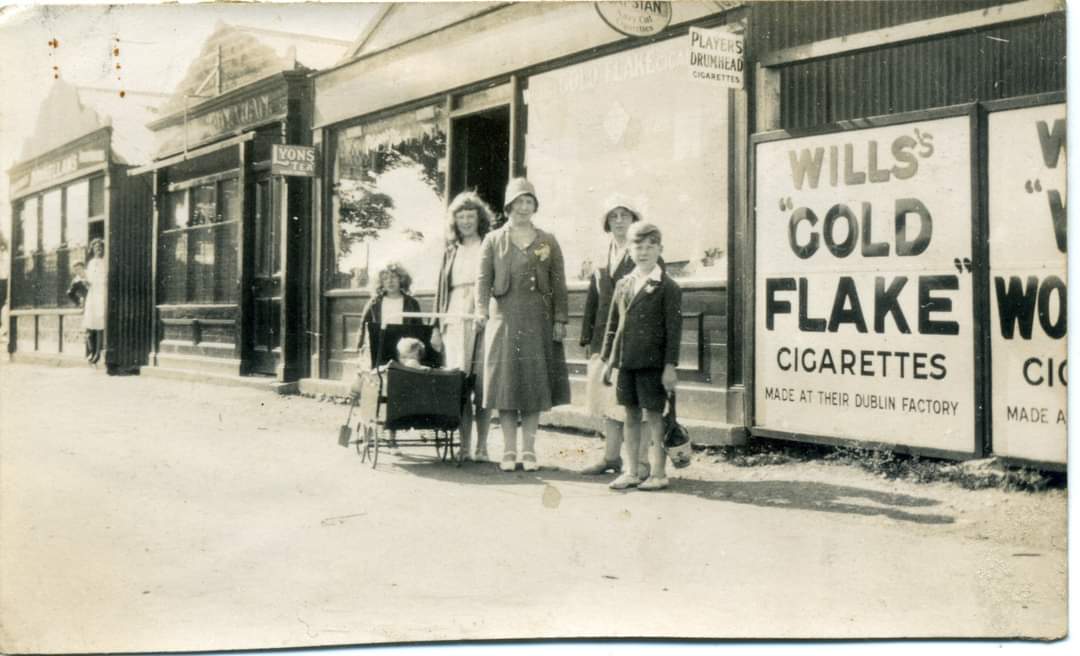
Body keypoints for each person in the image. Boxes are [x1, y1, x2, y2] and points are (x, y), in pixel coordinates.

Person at [476, 178, 571, 472]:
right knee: (506, 385)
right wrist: (481, 309)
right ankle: (507, 450)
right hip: (504, 318)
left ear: (535, 207)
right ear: (508, 206)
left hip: (537, 321)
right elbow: (483, 280)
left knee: (532, 383)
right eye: (518, 202)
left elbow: (559, 282)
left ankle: (528, 450)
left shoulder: (548, 240)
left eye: (529, 202)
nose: (523, 207)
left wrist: (559, 319)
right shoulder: (493, 240)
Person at [601, 222, 682, 491]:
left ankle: (658, 472)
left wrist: (669, 366)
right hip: (627, 363)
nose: (644, 251)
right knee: (630, 416)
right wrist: (608, 362)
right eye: (638, 245)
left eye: (650, 245)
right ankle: (632, 470)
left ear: (660, 249)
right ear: (630, 248)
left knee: (655, 418)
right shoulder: (624, 283)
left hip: (653, 365)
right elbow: (613, 326)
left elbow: (674, 331)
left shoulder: (667, 286)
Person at [580, 195, 654, 478]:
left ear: (635, 220)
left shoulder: (644, 253)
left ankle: (642, 462)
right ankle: (611, 457)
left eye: (625, 215)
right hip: (604, 339)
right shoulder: (602, 255)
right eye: (614, 216)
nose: (619, 221)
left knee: (637, 402)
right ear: (607, 223)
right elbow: (593, 299)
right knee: (607, 400)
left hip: (633, 340)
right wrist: (588, 337)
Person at [434, 191, 493, 462]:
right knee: (459, 383)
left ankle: (482, 446)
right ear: (454, 221)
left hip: (483, 314)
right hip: (455, 315)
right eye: (461, 217)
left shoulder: (489, 245)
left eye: (471, 216)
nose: (466, 222)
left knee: (482, 384)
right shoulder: (450, 250)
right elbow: (441, 290)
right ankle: (464, 445)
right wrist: (437, 325)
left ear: (479, 219)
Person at [357, 262, 422, 367]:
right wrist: (361, 348)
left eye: (393, 277)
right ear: (380, 282)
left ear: (401, 279)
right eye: (385, 278)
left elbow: (418, 328)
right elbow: (364, 326)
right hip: (380, 344)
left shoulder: (411, 303)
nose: (390, 281)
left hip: (403, 348)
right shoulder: (374, 302)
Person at [84, 238, 107, 366]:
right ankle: (92, 351)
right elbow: (88, 281)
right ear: (92, 249)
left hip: (100, 294)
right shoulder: (91, 263)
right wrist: (85, 281)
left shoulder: (104, 262)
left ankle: (98, 352)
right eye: (96, 247)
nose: (98, 249)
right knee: (89, 325)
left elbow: (104, 279)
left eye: (100, 247)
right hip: (92, 295)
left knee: (99, 325)